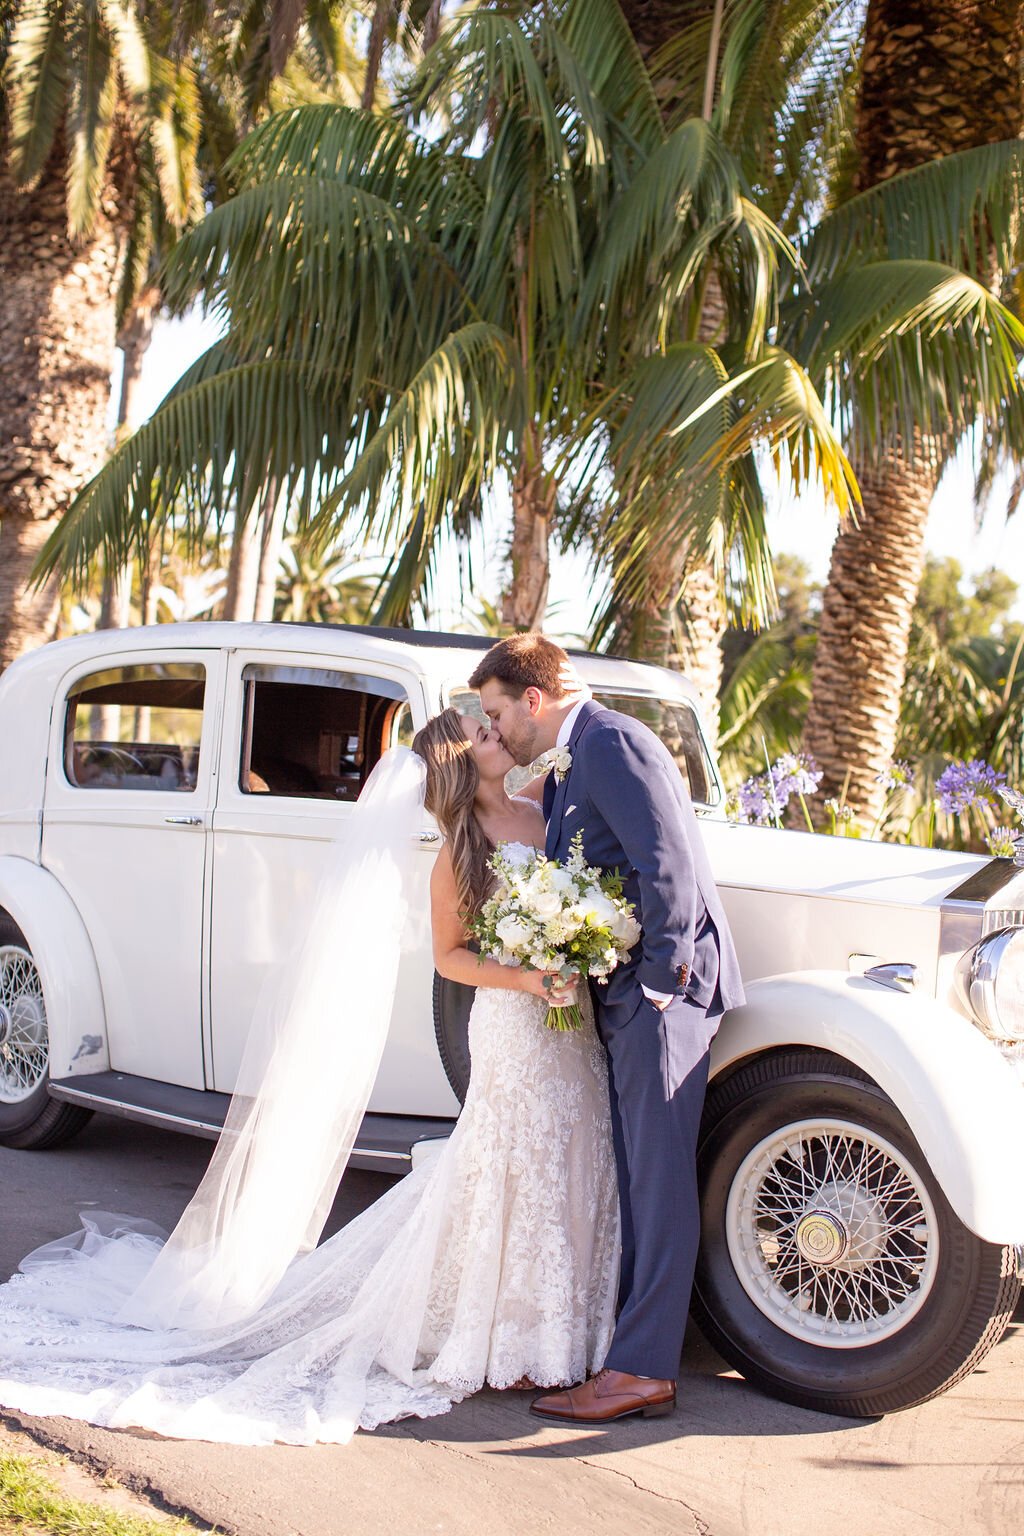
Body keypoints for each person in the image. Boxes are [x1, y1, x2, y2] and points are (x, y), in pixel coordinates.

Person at [0, 709, 618, 1445]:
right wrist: (528, 978)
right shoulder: (457, 853)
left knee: (572, 1157)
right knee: (508, 1169)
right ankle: (509, 1337)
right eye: (483, 734)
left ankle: (572, 1326)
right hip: (515, 1024)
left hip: (568, 1029)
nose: (498, 736)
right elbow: (451, 958)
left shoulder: (542, 805)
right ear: (459, 763)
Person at [469, 632, 745, 1425]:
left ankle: (643, 1372)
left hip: (663, 1001)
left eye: (495, 712)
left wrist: (662, 986)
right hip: (627, 998)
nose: (497, 730)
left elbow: (669, 869)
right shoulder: (571, 759)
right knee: (635, 1177)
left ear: (532, 698)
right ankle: (628, 1354)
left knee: (656, 1184)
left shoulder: (615, 742)